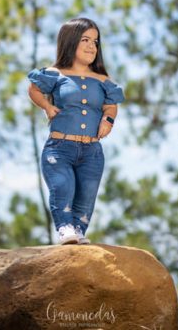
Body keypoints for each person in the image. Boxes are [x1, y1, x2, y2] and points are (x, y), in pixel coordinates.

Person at [27, 17, 125, 245]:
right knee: (62, 188)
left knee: (86, 197)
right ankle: (65, 229)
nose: (92, 46)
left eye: (96, 41)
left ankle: (78, 232)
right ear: (70, 42)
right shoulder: (55, 73)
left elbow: (111, 104)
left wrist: (108, 120)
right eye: (85, 40)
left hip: (92, 151)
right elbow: (33, 89)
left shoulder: (102, 79)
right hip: (59, 149)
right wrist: (48, 107)